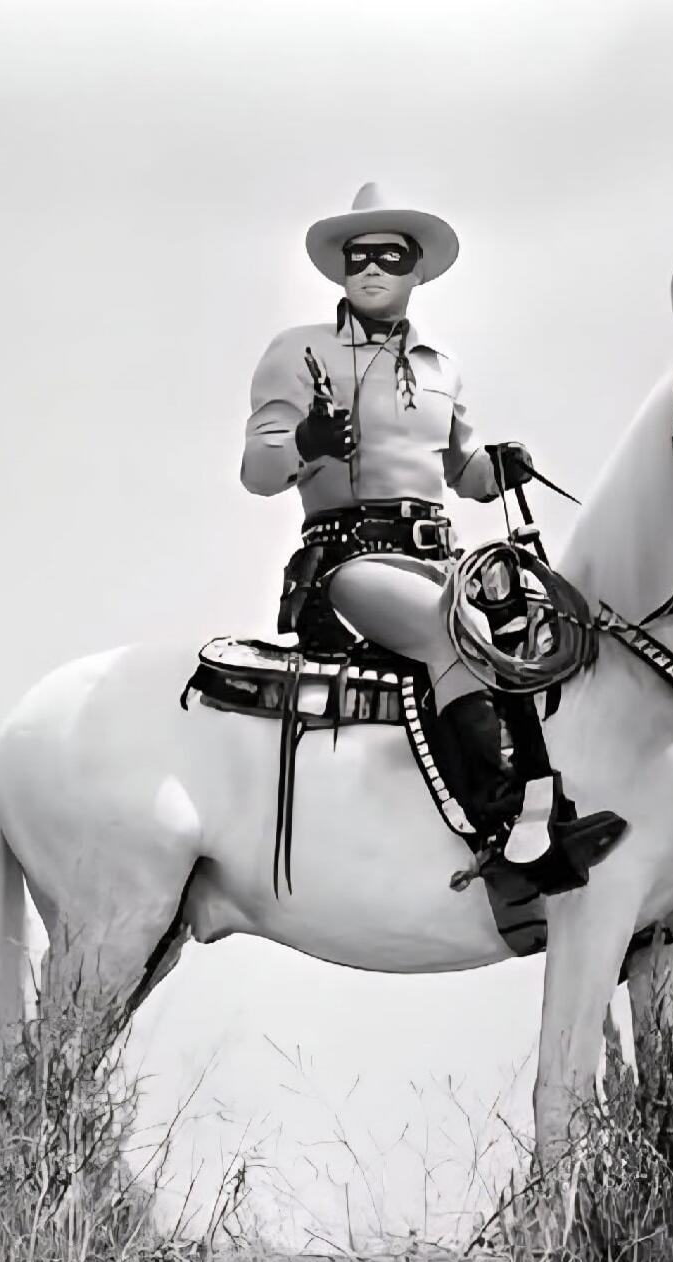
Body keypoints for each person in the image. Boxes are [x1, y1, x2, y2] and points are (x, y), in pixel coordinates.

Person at [241, 183, 626, 894]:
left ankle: (552, 795)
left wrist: (497, 467)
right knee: (456, 633)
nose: (372, 267)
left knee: (540, 627)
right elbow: (258, 470)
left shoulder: (440, 367)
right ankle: (503, 817)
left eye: (390, 255)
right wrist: (308, 437)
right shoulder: (299, 353)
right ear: (341, 270)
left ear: (417, 270)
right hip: (350, 558)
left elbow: (461, 469)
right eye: (358, 256)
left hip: (440, 555)